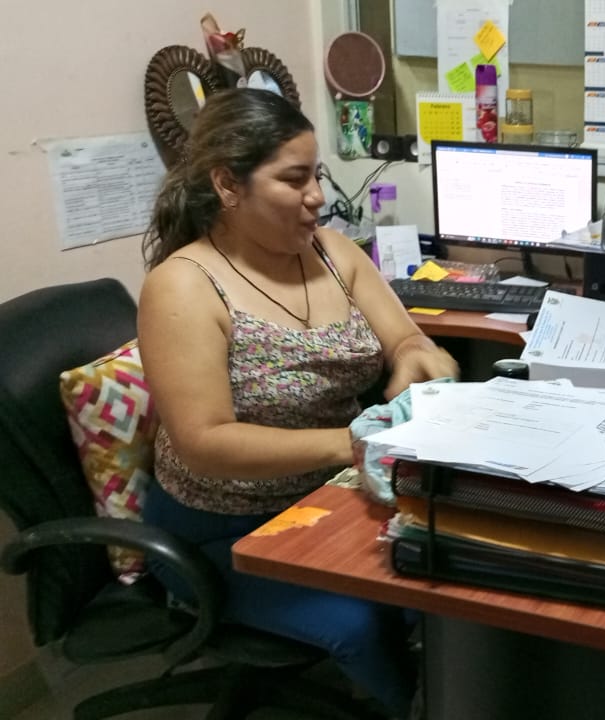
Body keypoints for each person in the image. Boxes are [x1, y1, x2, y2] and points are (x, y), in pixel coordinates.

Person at [137, 88, 458, 718]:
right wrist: (353, 443)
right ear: (228, 185)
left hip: (331, 499)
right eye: (293, 179)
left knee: (449, 567)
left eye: (317, 175)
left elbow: (407, 340)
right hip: (225, 529)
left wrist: (421, 362)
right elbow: (205, 442)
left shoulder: (334, 254)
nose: (317, 196)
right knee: (362, 620)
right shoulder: (183, 286)